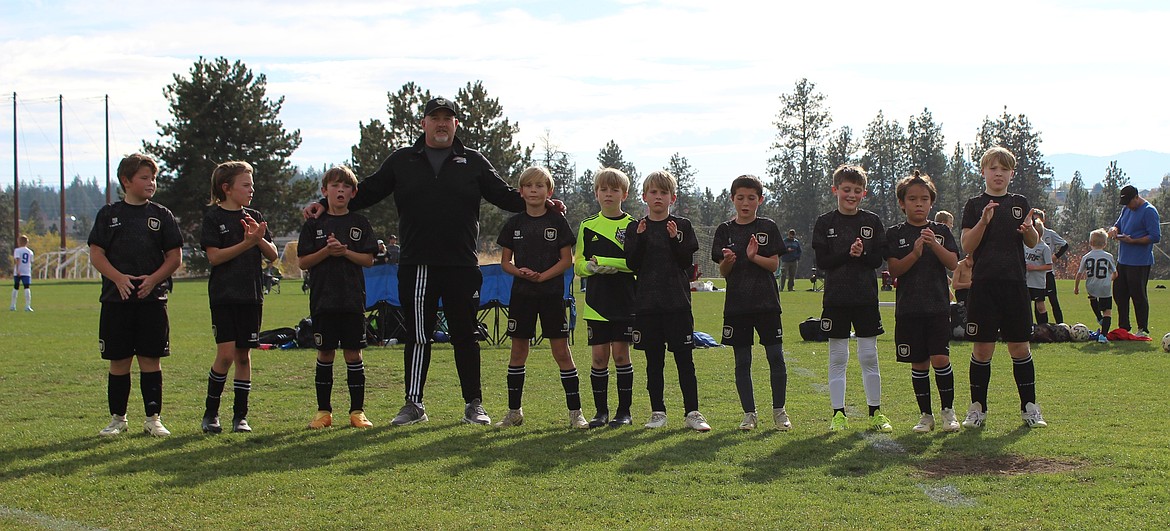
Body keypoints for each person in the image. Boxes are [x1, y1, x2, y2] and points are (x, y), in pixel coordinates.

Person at [302, 97, 550, 426]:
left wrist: (544, 203)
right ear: (424, 123)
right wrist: (322, 202)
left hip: (462, 264)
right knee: (419, 335)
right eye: (435, 118)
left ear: (456, 125)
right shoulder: (402, 160)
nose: (442, 123)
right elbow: (366, 191)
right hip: (418, 264)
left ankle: (474, 404)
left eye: (448, 118)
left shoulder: (473, 161)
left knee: (465, 334)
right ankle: (414, 404)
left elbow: (505, 195)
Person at [87, 153, 183, 437]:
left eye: (153, 178)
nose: (150, 183)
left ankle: (153, 418)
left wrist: (154, 280)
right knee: (119, 361)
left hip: (152, 301)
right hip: (116, 301)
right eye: (144, 178)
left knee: (150, 359)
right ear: (126, 181)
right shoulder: (108, 215)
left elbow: (174, 256)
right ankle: (118, 419)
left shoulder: (162, 215)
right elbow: (96, 253)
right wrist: (117, 278)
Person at [959, 146, 1046, 429]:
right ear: (983, 171)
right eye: (993, 168)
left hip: (1015, 285)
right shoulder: (974, 205)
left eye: (1004, 169)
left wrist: (1029, 230)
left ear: (1011, 173)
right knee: (982, 350)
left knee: (1019, 347)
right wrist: (983, 222)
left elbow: (1032, 242)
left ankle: (1030, 408)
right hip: (983, 286)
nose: (998, 173)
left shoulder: (1020, 202)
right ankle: (977, 409)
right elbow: (967, 245)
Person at [493, 166, 585, 429]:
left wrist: (544, 276)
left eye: (540, 186)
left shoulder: (557, 222)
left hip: (551, 295)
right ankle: (514, 412)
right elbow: (505, 263)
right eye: (529, 186)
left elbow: (567, 260)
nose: (534, 190)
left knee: (561, 352)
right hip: (522, 295)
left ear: (549, 191)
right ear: (521, 191)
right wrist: (519, 272)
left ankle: (575, 413)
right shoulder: (514, 223)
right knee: (518, 351)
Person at [625, 170, 710, 431]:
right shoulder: (635, 227)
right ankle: (657, 412)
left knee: (685, 360)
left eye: (663, 193)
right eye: (653, 192)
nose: (658, 197)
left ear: (672, 197)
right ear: (644, 196)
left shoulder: (682, 226)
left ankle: (693, 413)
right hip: (648, 306)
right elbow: (632, 264)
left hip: (677, 304)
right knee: (654, 362)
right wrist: (639, 238)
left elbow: (686, 262)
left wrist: (674, 239)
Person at [199, 161, 279, 433]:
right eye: (245, 185)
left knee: (244, 356)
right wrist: (246, 242)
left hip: (251, 296)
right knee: (225, 355)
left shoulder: (254, 216)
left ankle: (240, 417)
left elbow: (272, 255)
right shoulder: (213, 219)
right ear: (227, 188)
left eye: (252, 185)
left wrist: (257, 239)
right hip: (224, 296)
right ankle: (211, 414)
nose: (251, 189)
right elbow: (215, 257)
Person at [298, 166, 379, 429]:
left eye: (345, 187)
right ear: (324, 191)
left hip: (352, 299)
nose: (340, 190)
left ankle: (357, 412)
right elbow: (303, 262)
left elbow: (367, 259)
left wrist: (344, 252)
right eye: (334, 186)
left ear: (353, 192)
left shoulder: (360, 223)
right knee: (325, 353)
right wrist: (326, 251)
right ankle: (324, 412)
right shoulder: (313, 225)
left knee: (353, 354)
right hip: (323, 300)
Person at [812, 164, 891, 432]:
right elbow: (823, 262)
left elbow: (877, 261)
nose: (851, 195)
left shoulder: (872, 221)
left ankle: (876, 412)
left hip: (866, 298)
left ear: (864, 193)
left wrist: (862, 255)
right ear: (836, 190)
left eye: (857, 191)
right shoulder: (825, 222)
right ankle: (838, 414)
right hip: (836, 299)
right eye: (846, 190)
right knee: (838, 357)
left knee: (869, 355)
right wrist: (849, 252)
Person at [712, 175, 790, 431]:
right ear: (733, 199)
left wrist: (754, 257)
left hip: (767, 304)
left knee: (775, 357)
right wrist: (728, 262)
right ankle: (749, 414)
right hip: (737, 307)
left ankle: (780, 412)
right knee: (742, 361)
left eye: (751, 198)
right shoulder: (725, 230)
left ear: (760, 200)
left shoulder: (767, 226)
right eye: (741, 198)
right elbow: (723, 273)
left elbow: (774, 266)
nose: (746, 203)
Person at [886, 171, 961, 433]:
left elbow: (953, 263)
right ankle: (925, 415)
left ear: (932, 203)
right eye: (913, 198)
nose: (919, 203)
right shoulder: (895, 234)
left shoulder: (940, 231)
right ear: (902, 203)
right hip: (909, 309)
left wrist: (934, 246)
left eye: (924, 199)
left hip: (938, 307)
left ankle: (948, 412)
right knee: (919, 362)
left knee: (940, 358)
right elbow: (894, 270)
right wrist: (915, 253)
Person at [574, 168, 637, 428]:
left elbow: (635, 263)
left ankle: (624, 412)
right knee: (599, 357)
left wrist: (608, 262)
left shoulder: (633, 226)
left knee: (621, 355)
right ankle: (601, 412)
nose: (608, 194)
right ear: (596, 193)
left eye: (614, 190)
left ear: (624, 194)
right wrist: (589, 268)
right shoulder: (588, 226)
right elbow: (577, 264)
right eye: (603, 190)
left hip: (625, 301)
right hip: (596, 304)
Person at [1108, 184, 1161, 337]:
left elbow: (1155, 236)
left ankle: (1142, 329)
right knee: (1119, 293)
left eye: (1129, 202)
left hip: (1139, 261)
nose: (1128, 206)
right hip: (1123, 260)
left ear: (1136, 197)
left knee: (1138, 295)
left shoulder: (1149, 211)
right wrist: (1114, 230)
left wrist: (1133, 240)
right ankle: (1124, 327)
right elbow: (1118, 225)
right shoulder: (1126, 209)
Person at [1074, 229, 1118, 343]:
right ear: (1105, 243)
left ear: (1090, 243)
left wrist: (1076, 287)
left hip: (1091, 285)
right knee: (1107, 311)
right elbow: (1115, 273)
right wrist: (1110, 280)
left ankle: (1099, 317)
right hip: (1105, 286)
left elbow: (1079, 273)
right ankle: (1103, 336)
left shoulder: (1086, 256)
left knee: (1092, 297)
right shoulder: (1108, 256)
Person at [1024, 221, 1054, 325]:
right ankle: (1028, 326)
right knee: (1025, 305)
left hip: (1038, 282)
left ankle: (1044, 327)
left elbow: (1049, 266)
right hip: (1026, 281)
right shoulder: (1026, 246)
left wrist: (1035, 268)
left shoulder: (1044, 248)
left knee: (1040, 305)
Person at [11, 235, 33, 312]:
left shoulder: (17, 250)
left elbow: (17, 260)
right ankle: (27, 306)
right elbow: (30, 262)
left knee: (16, 287)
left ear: (19, 242)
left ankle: (13, 305)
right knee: (26, 287)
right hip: (26, 272)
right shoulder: (30, 252)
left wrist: (17, 270)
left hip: (18, 272)